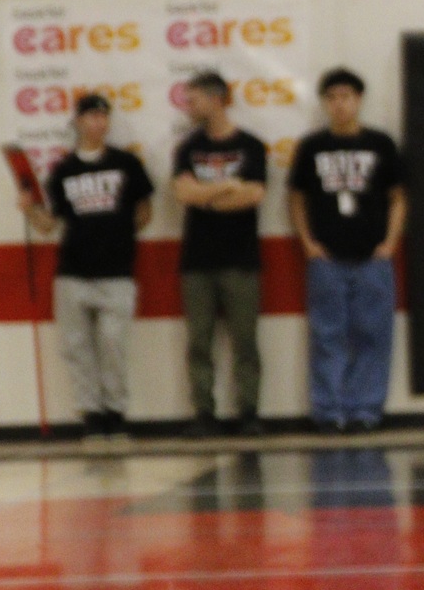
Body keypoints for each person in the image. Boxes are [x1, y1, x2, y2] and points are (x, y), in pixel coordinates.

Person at [18, 94, 154, 438]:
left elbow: (144, 212)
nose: (99, 122)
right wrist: (29, 208)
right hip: (73, 272)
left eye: (103, 116)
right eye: (92, 116)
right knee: (76, 347)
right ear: (78, 122)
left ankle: (116, 411)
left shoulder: (127, 163)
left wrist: (117, 236)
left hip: (117, 272)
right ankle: (91, 412)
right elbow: (49, 225)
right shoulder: (64, 170)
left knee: (113, 344)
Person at [289, 68, 409, 432]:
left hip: (373, 257)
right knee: (327, 337)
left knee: (373, 336)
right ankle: (329, 411)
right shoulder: (312, 147)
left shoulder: (381, 144)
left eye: (346, 97)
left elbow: (398, 197)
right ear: (325, 103)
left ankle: (365, 411)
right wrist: (308, 243)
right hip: (327, 257)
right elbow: (297, 198)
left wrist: (390, 243)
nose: (339, 104)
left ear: (359, 100)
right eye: (332, 98)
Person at [172, 70, 269, 438]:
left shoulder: (251, 146)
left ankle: (249, 413)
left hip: (241, 259)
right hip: (197, 260)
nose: (188, 106)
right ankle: (204, 414)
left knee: (245, 341)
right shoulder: (188, 148)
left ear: (216, 100)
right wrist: (227, 187)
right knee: (199, 342)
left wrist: (206, 196)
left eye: (193, 99)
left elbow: (254, 195)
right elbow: (183, 194)